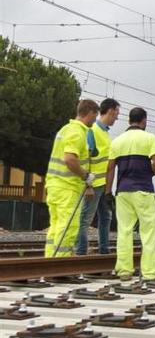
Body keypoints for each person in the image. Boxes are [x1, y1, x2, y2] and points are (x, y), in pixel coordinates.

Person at [105, 107, 155, 281]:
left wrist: (108, 192)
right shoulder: (149, 138)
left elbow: (110, 168)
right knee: (149, 231)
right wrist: (150, 171)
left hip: (122, 191)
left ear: (129, 120)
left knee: (124, 231)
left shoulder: (117, 141)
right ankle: (150, 272)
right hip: (143, 190)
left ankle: (124, 270)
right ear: (143, 120)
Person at [44, 99, 99, 257]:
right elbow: (70, 159)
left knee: (56, 226)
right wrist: (86, 176)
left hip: (54, 185)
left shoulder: (65, 129)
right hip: (67, 187)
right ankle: (60, 265)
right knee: (69, 226)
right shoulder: (77, 132)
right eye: (95, 116)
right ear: (90, 113)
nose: (95, 120)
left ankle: (49, 261)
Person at [75, 98, 120, 255]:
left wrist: (108, 190)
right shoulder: (92, 131)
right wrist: (88, 185)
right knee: (85, 220)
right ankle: (80, 252)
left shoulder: (105, 133)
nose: (117, 117)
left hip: (103, 185)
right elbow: (86, 159)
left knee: (105, 218)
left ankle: (104, 251)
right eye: (116, 114)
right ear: (110, 111)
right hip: (93, 185)